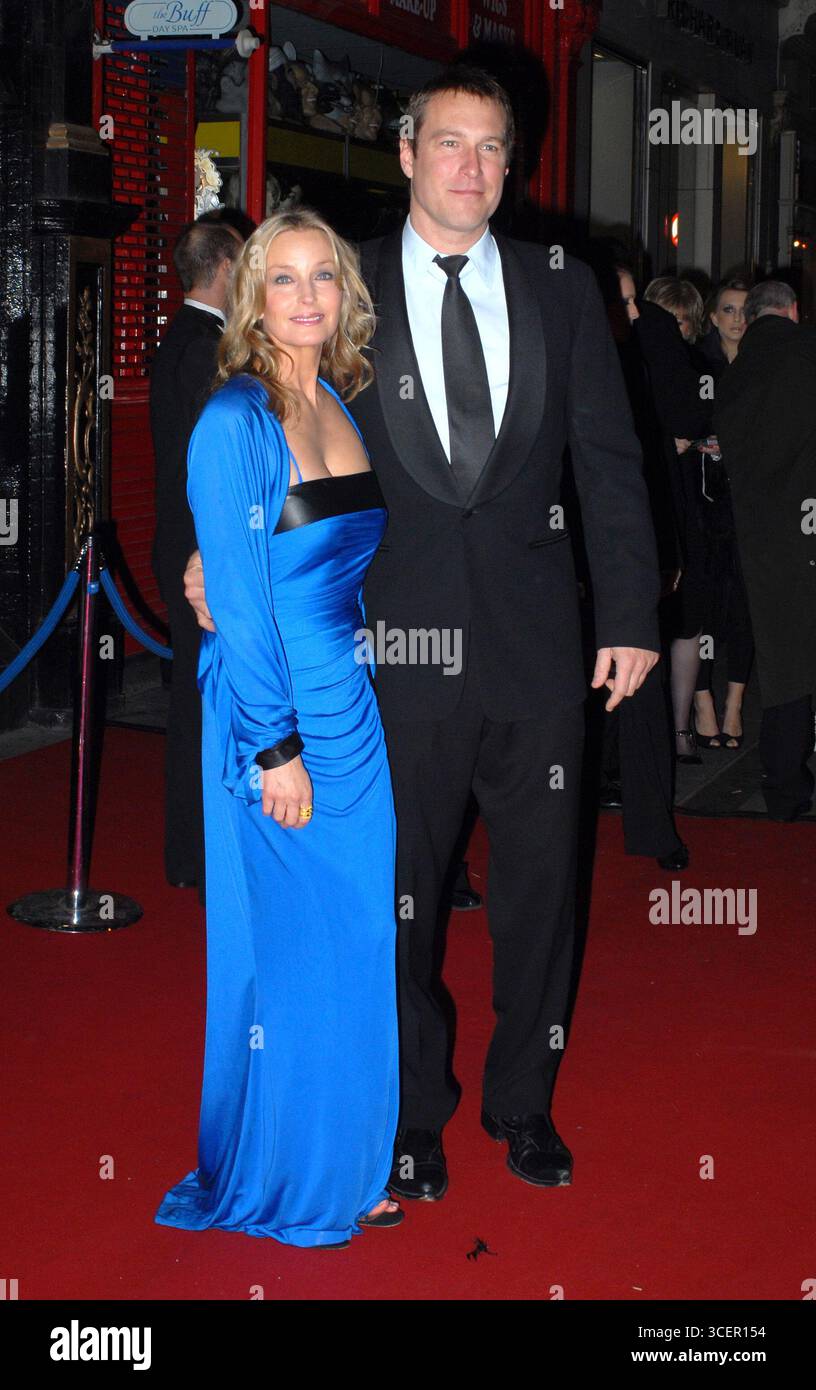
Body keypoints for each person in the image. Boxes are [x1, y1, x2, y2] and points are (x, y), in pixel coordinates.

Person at [186, 65, 660, 1198]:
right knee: (397, 902)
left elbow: (607, 461)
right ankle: (413, 1115)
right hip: (388, 660)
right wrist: (229, 552)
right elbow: (282, 421)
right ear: (405, 153)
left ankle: (523, 1104)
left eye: (492, 149)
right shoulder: (346, 292)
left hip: (542, 651)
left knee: (544, 892)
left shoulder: (561, 286)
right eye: (451, 144)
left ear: (509, 164)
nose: (472, 168)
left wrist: (635, 612)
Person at [155, 208, 401, 1248]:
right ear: (252, 295)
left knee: (354, 945)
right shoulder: (235, 420)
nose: (305, 298)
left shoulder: (340, 400)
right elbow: (245, 607)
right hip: (279, 715)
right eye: (283, 279)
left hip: (352, 705)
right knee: (294, 955)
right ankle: (293, 1179)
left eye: (323, 279)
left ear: (344, 292)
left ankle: (347, 1162)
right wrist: (275, 749)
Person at [150, 214, 243, 891]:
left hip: (185, 544)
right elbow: (214, 465)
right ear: (227, 266)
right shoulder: (205, 348)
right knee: (204, 698)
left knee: (197, 696)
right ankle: (199, 853)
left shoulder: (183, 337)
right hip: (200, 554)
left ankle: (195, 852)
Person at [714, 279, 816, 820]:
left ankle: (784, 786)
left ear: (751, 319)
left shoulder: (739, 372)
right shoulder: (807, 352)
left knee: (784, 665)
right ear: (794, 311)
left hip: (764, 539)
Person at [636, 277, 715, 765]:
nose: (677, 327)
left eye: (683, 318)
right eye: (669, 315)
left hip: (689, 505)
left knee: (688, 617)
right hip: (650, 503)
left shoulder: (695, 368)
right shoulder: (630, 364)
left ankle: (680, 726)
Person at [692, 279, 755, 750]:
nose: (738, 319)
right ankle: (702, 701)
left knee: (744, 604)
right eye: (729, 310)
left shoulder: (762, 366)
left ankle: (734, 701)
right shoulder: (698, 366)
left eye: (745, 311)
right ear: (713, 317)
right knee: (704, 602)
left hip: (751, 503)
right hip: (703, 501)